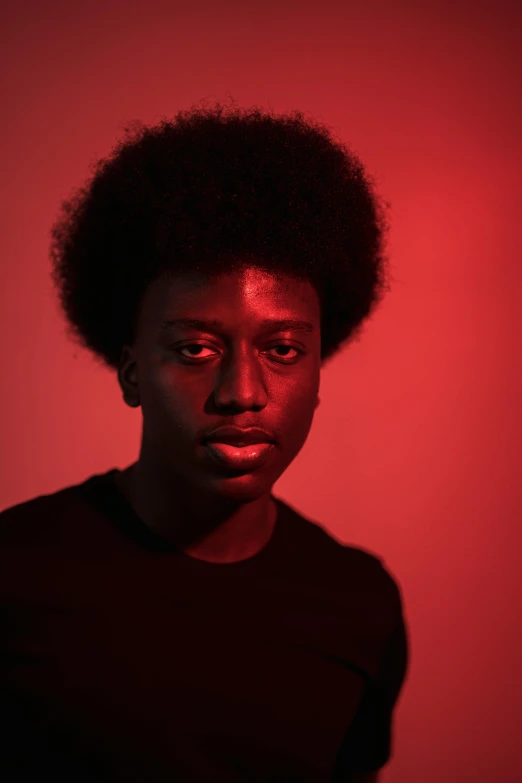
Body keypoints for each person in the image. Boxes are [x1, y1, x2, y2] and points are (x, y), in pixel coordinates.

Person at [0, 98, 409, 782]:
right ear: (131, 371)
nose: (242, 391)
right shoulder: (15, 576)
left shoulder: (359, 603)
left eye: (282, 348)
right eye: (195, 348)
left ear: (317, 372)